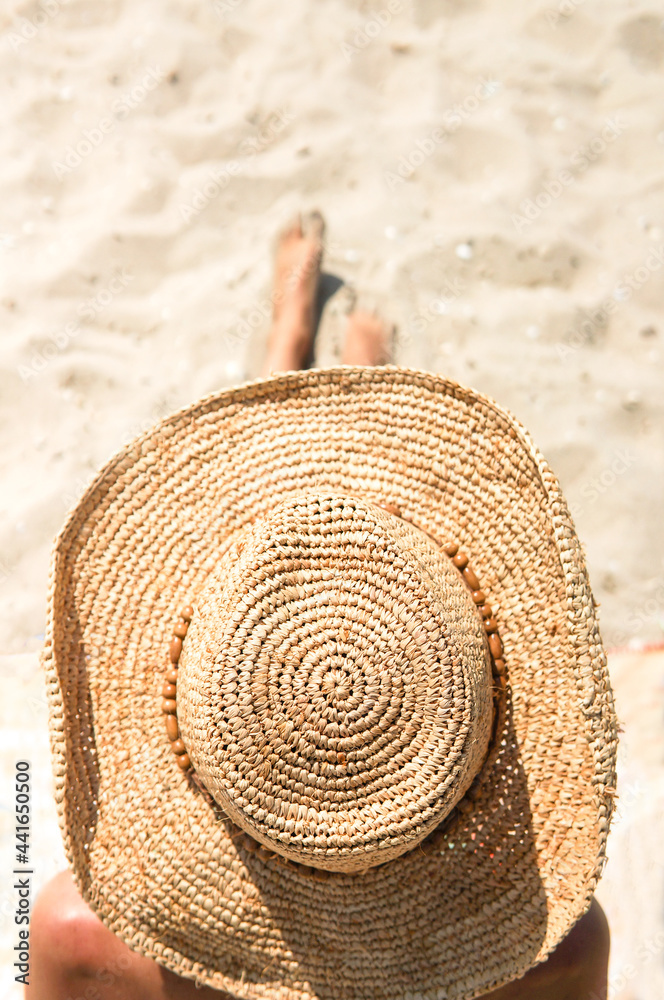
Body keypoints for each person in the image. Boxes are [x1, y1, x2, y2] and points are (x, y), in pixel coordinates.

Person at [27, 212, 613, 1000]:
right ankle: (341, 366)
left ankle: (290, 350)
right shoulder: (556, 947)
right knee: (311, 548)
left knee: (257, 538)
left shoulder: (81, 938)